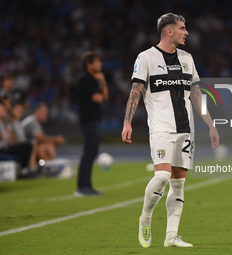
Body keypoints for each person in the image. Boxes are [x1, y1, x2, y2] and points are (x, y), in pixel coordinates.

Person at [121, 13, 219, 248]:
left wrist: (211, 124)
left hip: (186, 129)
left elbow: (196, 94)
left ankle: (171, 236)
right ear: (169, 31)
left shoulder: (187, 58)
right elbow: (136, 90)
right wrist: (127, 122)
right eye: (183, 28)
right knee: (163, 175)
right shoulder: (146, 57)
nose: (187, 32)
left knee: (178, 183)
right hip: (161, 128)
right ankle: (145, 218)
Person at [74, 51, 108, 197]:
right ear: (89, 64)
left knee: (92, 152)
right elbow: (97, 98)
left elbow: (105, 96)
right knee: (88, 152)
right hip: (88, 120)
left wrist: (102, 81)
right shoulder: (85, 79)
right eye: (97, 61)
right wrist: (101, 84)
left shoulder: (94, 79)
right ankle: (82, 186)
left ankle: (87, 185)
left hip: (94, 119)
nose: (100, 64)